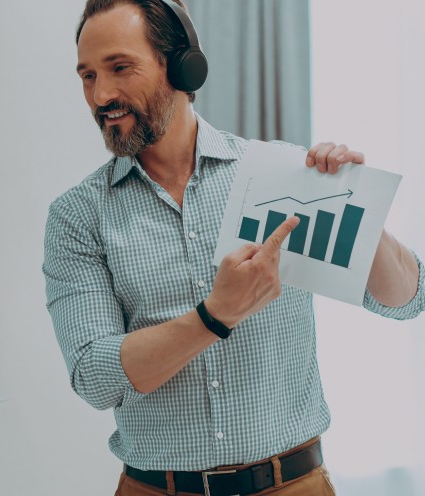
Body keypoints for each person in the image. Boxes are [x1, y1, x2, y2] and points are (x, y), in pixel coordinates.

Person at [42, 1, 425, 495]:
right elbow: (96, 376)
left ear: (181, 65)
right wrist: (215, 315)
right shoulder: (78, 216)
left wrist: (354, 206)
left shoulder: (278, 173)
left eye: (120, 68)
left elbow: (406, 299)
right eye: (88, 76)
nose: (102, 94)